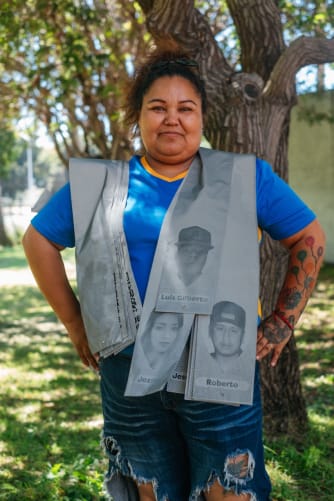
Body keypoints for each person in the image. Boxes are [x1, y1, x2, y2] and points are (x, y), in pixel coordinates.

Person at [22, 44, 326, 501]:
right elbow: (38, 239)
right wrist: (75, 323)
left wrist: (283, 321)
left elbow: (309, 237)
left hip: (219, 366)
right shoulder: (103, 185)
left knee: (230, 489)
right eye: (157, 107)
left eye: (186, 108)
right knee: (150, 491)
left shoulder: (246, 178)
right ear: (137, 117)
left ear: (202, 118)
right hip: (128, 370)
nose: (172, 119)